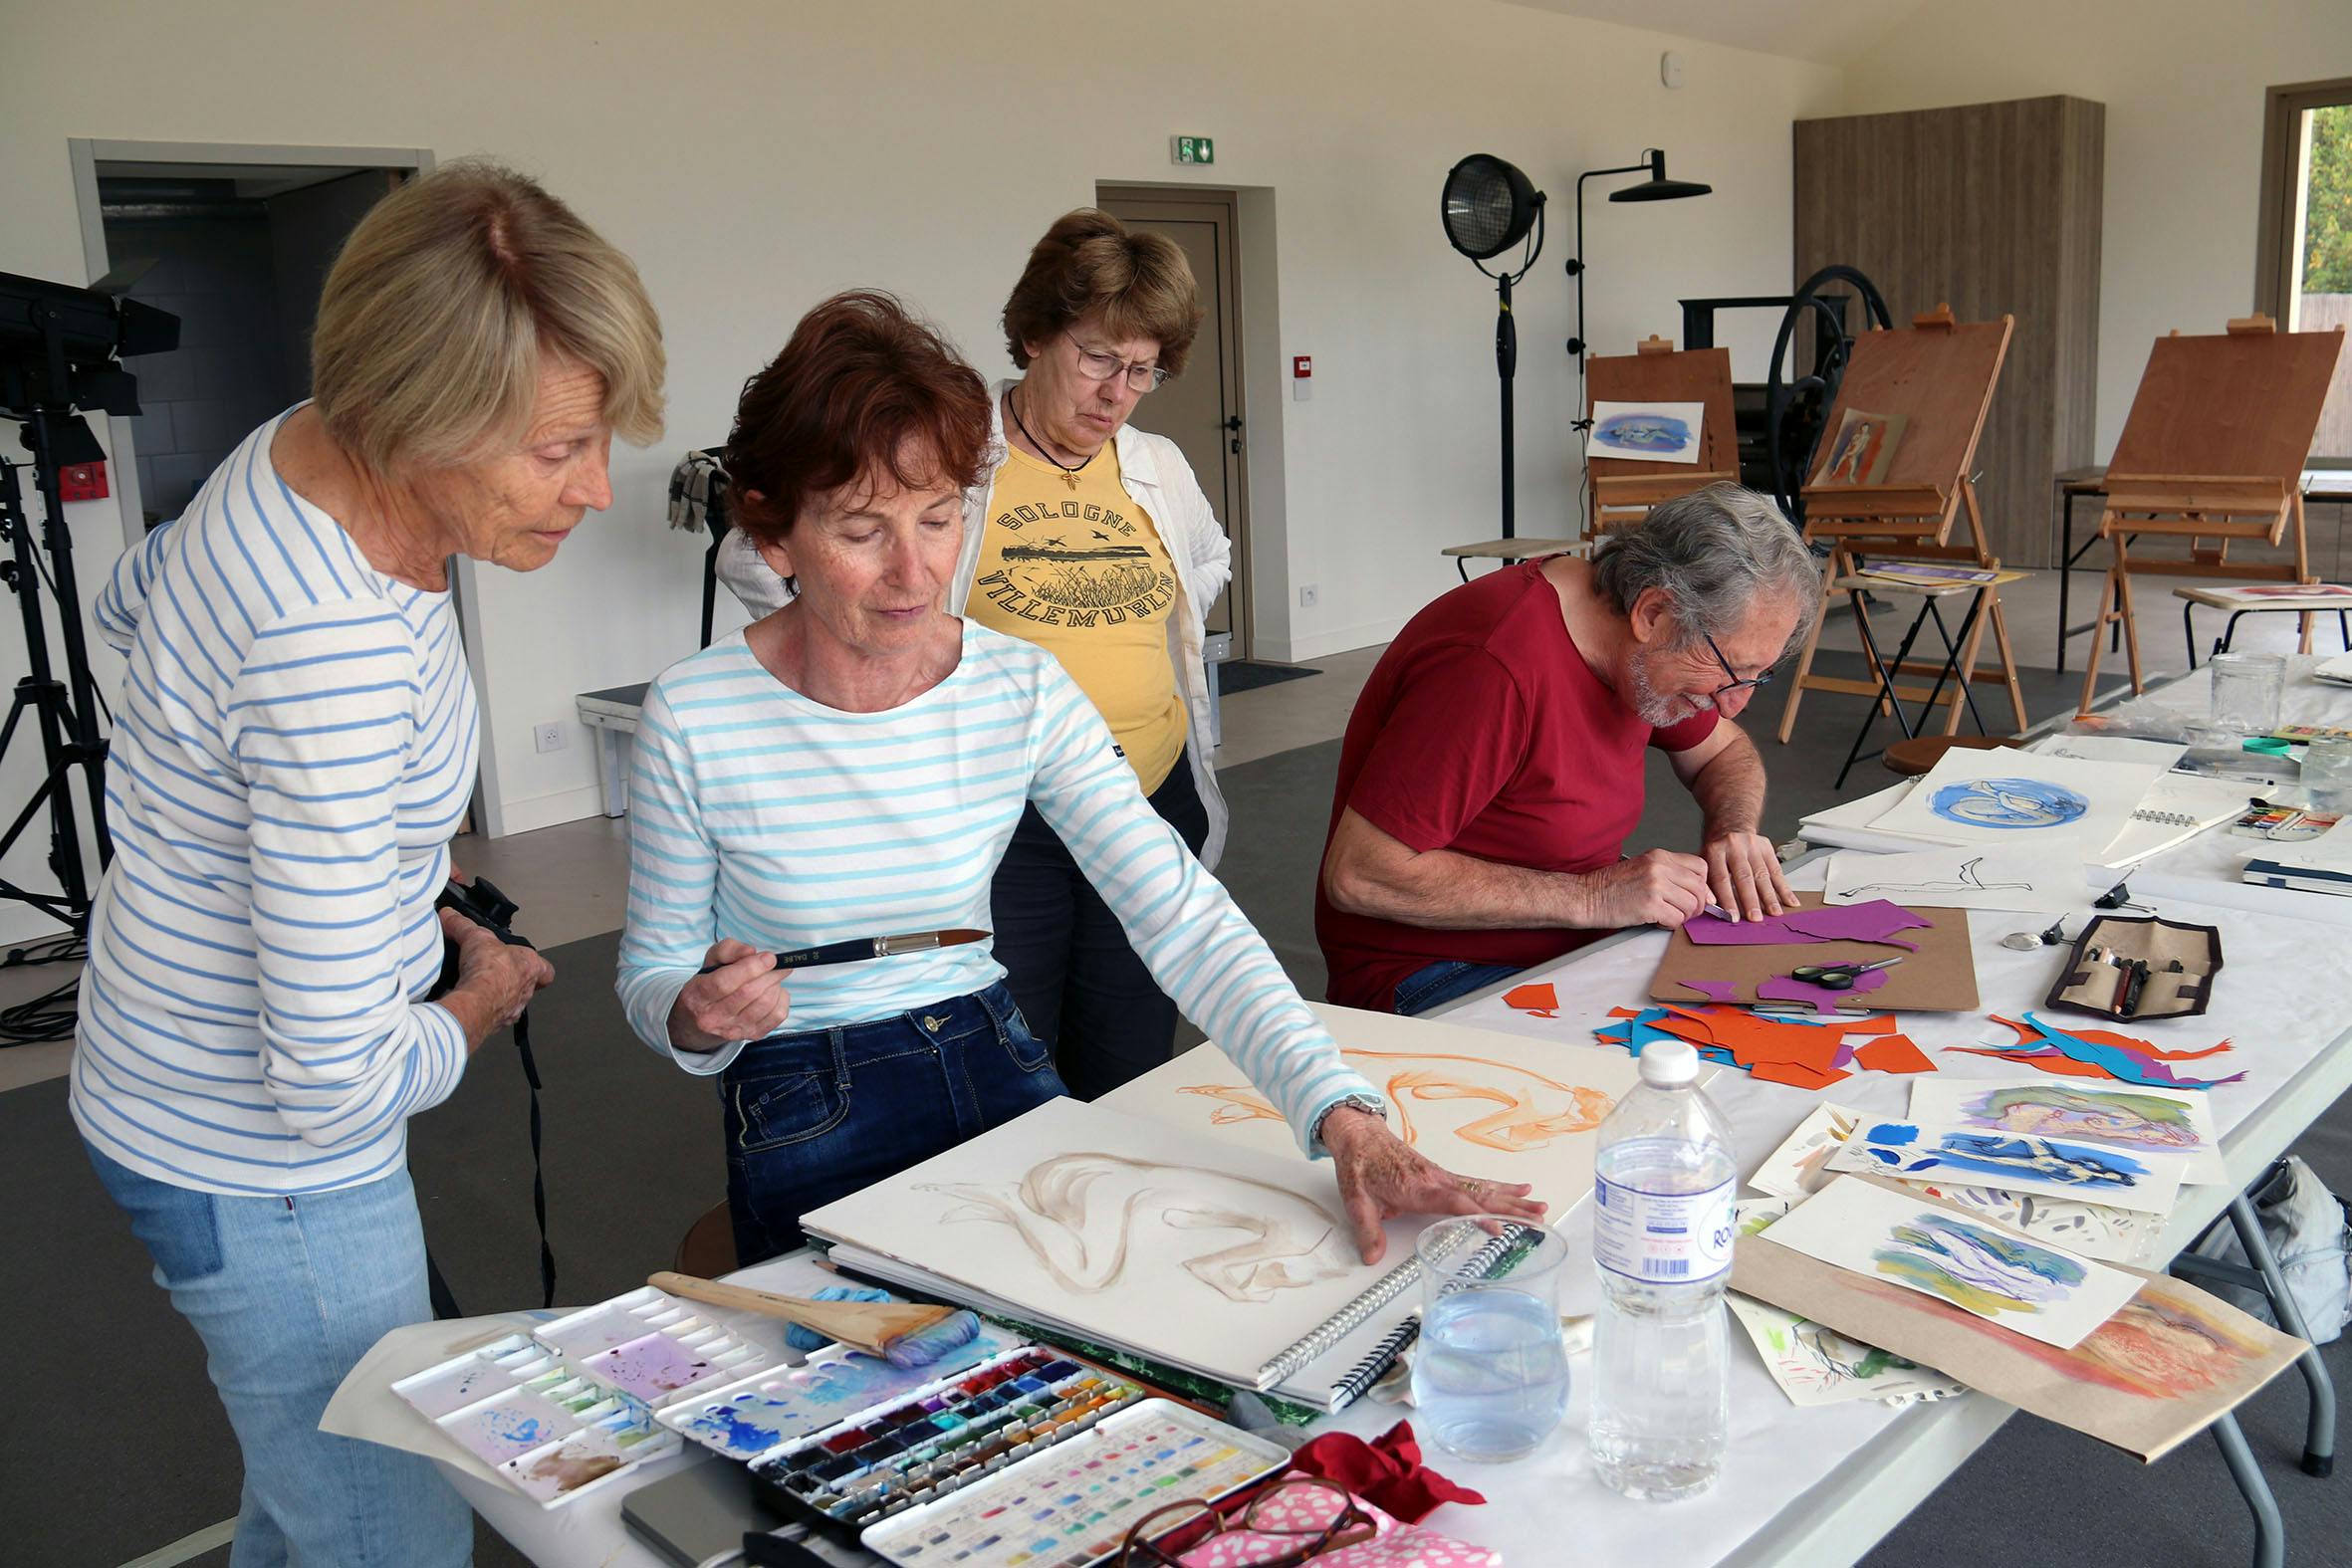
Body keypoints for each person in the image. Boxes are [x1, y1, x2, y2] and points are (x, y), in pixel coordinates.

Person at [618, 291, 1540, 1267]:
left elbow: (1178, 910)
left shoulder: (1015, 686)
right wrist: (697, 1013)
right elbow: (654, 973)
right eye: (859, 532)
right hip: (802, 1083)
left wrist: (1342, 1112)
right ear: (772, 538)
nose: (914, 574)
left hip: (988, 1043)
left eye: (938, 521)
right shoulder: (696, 712)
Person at [72, 160, 664, 1565]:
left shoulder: (294, 446)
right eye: (554, 448)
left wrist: (340, 865)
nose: (593, 487)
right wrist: (477, 1001)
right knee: (381, 1529)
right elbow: (333, 1077)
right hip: (264, 1156)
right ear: (415, 415)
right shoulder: (327, 637)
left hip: (164, 1079)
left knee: (308, 1499)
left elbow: (127, 609)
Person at [716, 210, 1225, 1100]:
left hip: (1145, 793)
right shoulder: (958, 453)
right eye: (1098, 357)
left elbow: (1207, 559)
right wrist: (876, 635)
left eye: (1143, 370)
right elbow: (757, 560)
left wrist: (1113, 627)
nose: (1117, 393)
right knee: (1004, 1051)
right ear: (1034, 334)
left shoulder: (1159, 465)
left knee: (1132, 1049)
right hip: (1002, 814)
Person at [1315, 483, 1821, 1016]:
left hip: (1571, 942)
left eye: (1757, 678)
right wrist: (1596, 896)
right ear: (1652, 614)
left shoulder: (1640, 655)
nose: (1734, 704)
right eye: (1731, 671)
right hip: (1432, 970)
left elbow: (1725, 755)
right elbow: (1360, 875)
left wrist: (1732, 833)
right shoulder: (1491, 667)